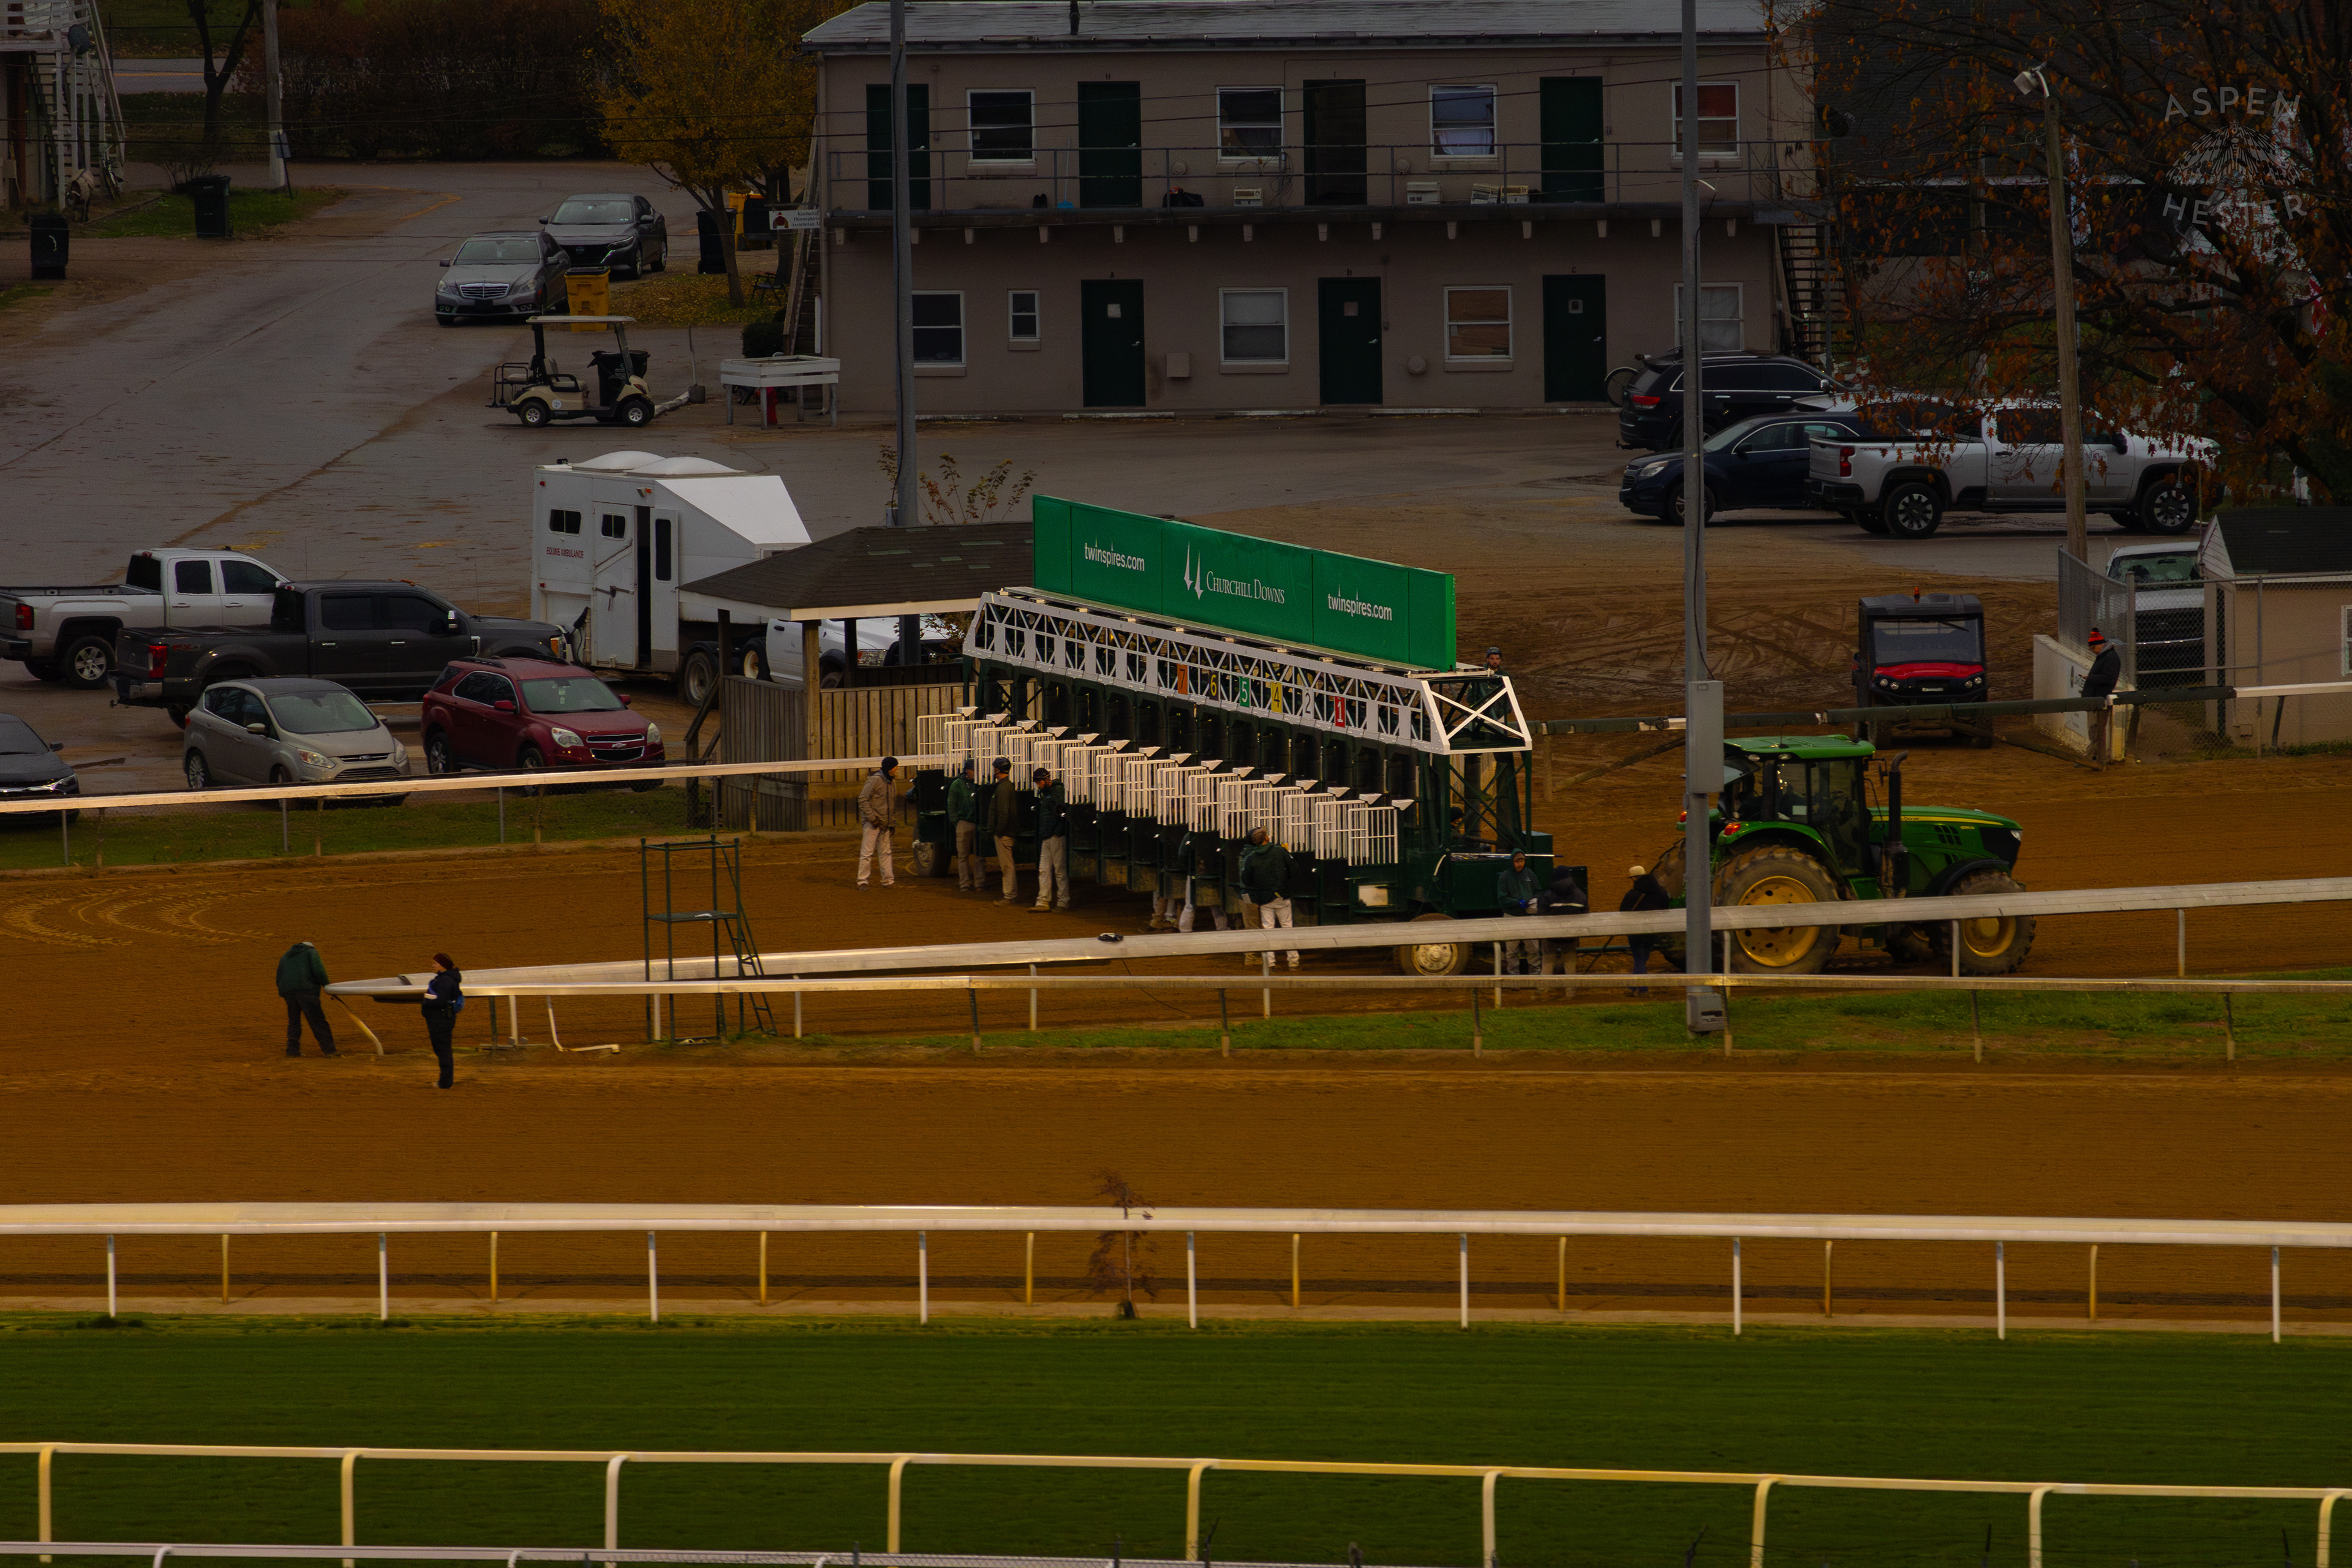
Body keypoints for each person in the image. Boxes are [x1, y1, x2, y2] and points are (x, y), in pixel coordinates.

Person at [1237, 826, 1298, 968]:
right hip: (1282, 897)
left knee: (1268, 931)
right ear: (1265, 838)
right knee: (1288, 928)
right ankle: (1294, 962)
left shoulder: (1250, 857)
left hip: (1264, 900)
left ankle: (1270, 964)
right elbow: (1294, 870)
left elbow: (1246, 879)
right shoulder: (1280, 851)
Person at [276, 940, 337, 1058]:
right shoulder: (311, 952)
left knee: (294, 1022)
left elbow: (279, 978)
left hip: (289, 993)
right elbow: (319, 972)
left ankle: (292, 1050)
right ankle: (330, 1050)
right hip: (306, 990)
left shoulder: (285, 956)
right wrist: (327, 986)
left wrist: (285, 992)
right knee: (317, 1020)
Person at [1620, 862, 1671, 997]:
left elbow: (1623, 912)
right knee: (1641, 959)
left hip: (1636, 932)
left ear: (1635, 878)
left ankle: (1642, 989)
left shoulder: (1633, 894)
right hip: (1653, 931)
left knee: (1638, 958)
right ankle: (1632, 988)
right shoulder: (1661, 892)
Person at [1536, 864, 1588, 976]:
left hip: (1551, 938)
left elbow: (1541, 915)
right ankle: (1570, 992)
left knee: (1548, 964)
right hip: (1570, 937)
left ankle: (1544, 991)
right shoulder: (1580, 895)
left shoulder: (1548, 896)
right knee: (1570, 964)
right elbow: (1586, 916)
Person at [420, 952, 463, 1089]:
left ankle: (445, 1083)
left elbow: (441, 1001)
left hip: (441, 1020)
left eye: (435, 963)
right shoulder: (445, 979)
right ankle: (445, 1081)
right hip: (442, 1019)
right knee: (443, 1051)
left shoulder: (445, 981)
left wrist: (426, 1004)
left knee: (443, 1051)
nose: (432, 965)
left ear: (442, 965)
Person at [1495, 850, 1542, 975]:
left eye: (1522, 861)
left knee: (1533, 949)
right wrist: (1518, 902)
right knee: (1511, 951)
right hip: (1512, 917)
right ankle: (1513, 977)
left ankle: (1535, 975)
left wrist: (1534, 900)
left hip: (1529, 917)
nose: (1520, 864)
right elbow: (1502, 899)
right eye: (1517, 861)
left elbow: (1538, 890)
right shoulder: (1505, 877)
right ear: (1512, 862)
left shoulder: (1530, 874)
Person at [1030, 766, 1070, 911]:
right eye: (1037, 782)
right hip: (1048, 836)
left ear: (1047, 779)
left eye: (1040, 781)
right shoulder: (1046, 792)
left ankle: (1062, 902)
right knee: (1044, 870)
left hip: (1055, 836)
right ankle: (1043, 901)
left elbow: (1063, 813)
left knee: (1059, 870)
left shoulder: (1057, 791)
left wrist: (1057, 832)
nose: (1038, 784)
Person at [856, 756, 899, 889]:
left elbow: (890, 804)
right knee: (871, 852)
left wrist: (891, 823)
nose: (897, 769)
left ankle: (881, 881)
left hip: (882, 822)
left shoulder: (889, 781)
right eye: (895, 767)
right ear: (890, 768)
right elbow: (863, 799)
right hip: (876, 822)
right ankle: (864, 881)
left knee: (880, 852)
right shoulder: (877, 780)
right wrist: (873, 818)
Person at [2082, 628, 2123, 761]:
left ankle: (2092, 758)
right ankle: (2096, 758)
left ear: (2100, 645)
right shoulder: (2107, 656)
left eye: (2093, 648)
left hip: (2100, 699)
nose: (2093, 651)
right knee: (2095, 731)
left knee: (2096, 731)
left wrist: (2089, 678)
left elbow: (2109, 679)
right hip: (2097, 698)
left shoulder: (2109, 657)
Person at [986, 756, 1022, 903]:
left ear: (998, 770)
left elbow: (1003, 812)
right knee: (1007, 864)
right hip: (1007, 831)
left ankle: (1009, 895)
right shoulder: (1007, 786)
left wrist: (999, 831)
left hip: (1004, 833)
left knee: (1006, 865)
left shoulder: (1003, 788)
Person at [946, 758, 981, 891]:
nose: (975, 773)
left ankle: (979, 883)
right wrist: (957, 822)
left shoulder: (979, 783)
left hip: (976, 823)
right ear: (967, 771)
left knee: (979, 855)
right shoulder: (957, 784)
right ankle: (965, 883)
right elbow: (951, 806)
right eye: (973, 770)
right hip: (964, 823)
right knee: (963, 855)